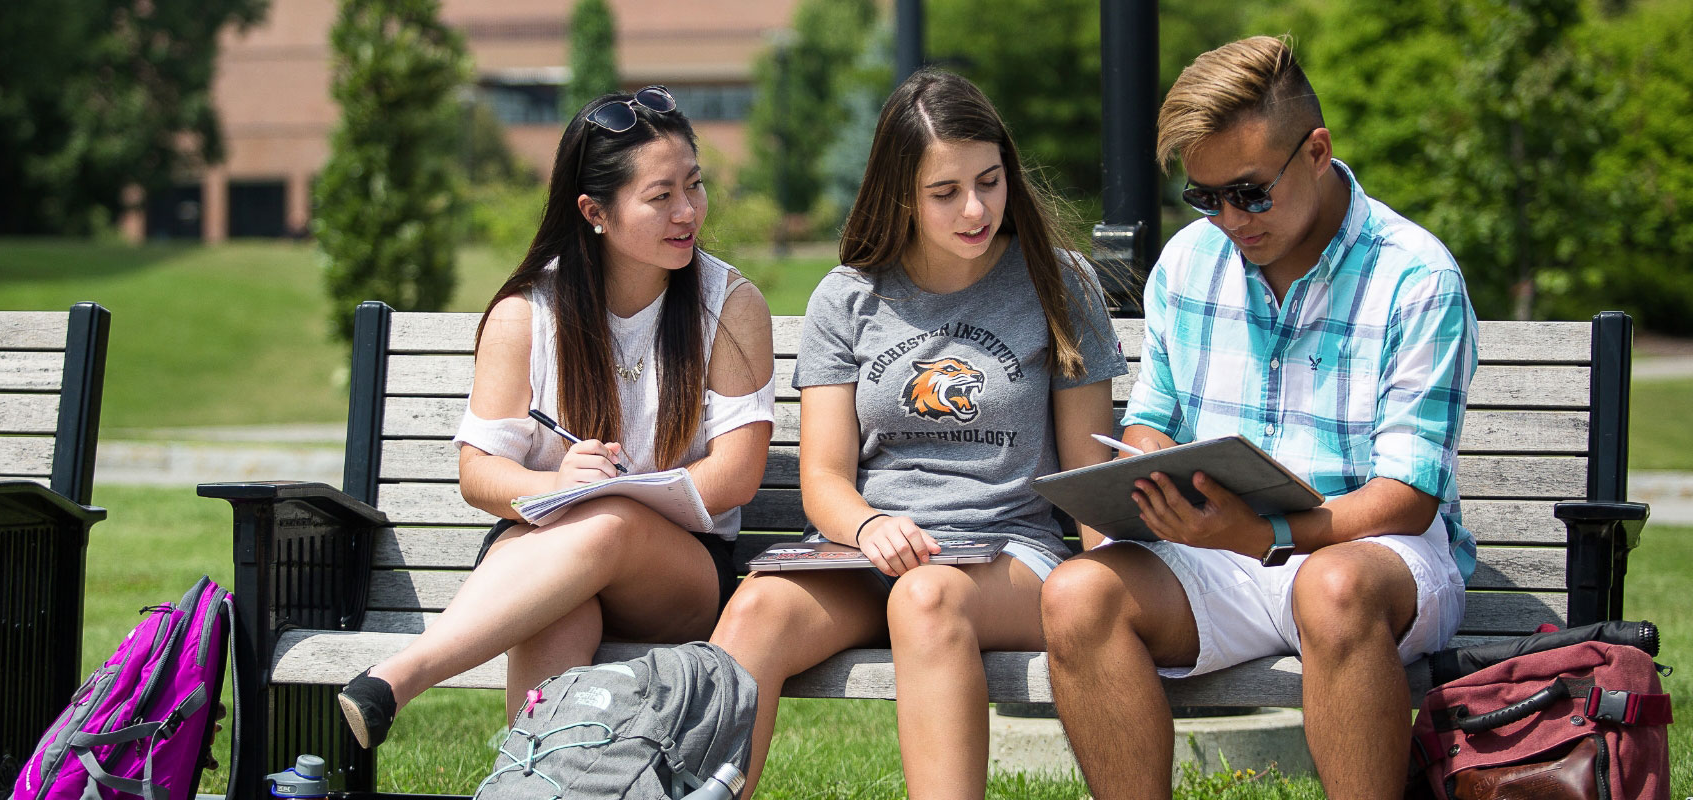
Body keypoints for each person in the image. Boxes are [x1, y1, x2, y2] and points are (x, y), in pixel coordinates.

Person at [1040, 36, 1480, 800]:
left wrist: (1263, 535)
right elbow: (1151, 421)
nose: (1229, 220)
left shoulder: (1417, 276)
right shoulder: (1187, 263)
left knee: (1332, 588)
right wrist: (1146, 476)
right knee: (1077, 593)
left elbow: (1406, 500)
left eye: (1249, 192)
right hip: (1221, 559)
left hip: (1375, 557)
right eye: (1204, 197)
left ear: (1316, 151)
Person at [709, 69, 1127, 799]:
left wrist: (1115, 594)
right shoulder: (849, 296)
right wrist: (867, 526)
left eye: (990, 181)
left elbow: (1090, 474)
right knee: (755, 608)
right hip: (867, 555)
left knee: (926, 598)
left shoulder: (1059, 282)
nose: (976, 208)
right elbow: (825, 479)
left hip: (1007, 556)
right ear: (901, 194)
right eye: (946, 193)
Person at [335, 87, 775, 748]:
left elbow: (737, 476)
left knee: (610, 524)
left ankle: (398, 677)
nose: (688, 211)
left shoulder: (728, 304)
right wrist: (560, 485)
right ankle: (534, 783)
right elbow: (478, 474)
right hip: (546, 556)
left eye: (695, 185)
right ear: (595, 211)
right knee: (556, 613)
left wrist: (612, 497)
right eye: (661, 197)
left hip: (679, 572)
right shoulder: (528, 311)